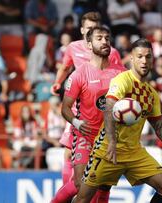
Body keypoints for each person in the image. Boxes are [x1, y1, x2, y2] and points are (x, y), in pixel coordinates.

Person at [74, 39, 162, 203]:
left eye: (148, 57)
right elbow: (109, 107)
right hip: (106, 150)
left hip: (133, 152)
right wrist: (112, 142)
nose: (144, 61)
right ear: (132, 59)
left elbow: (160, 128)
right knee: (82, 200)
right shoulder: (122, 80)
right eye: (139, 56)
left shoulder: (151, 94)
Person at [50, 11, 122, 192]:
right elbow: (65, 67)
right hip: (77, 106)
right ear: (82, 30)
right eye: (89, 28)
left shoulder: (112, 52)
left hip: (101, 110)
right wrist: (58, 82)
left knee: (102, 173)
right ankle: (68, 189)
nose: (92, 31)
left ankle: (77, 192)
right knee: (69, 153)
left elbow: (119, 76)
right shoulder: (73, 48)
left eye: (95, 29)